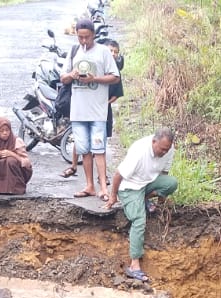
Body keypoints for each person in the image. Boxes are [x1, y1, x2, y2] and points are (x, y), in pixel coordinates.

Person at [103, 128, 177, 282]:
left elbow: (164, 174)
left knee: (171, 183)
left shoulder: (168, 149)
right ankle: (134, 265)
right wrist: (113, 197)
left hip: (146, 184)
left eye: (167, 149)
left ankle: (143, 199)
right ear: (153, 141)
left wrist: (161, 200)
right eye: (162, 149)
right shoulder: (139, 151)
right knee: (139, 220)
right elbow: (118, 175)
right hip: (129, 187)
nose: (164, 152)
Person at [61, 19, 119, 201]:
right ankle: (89, 186)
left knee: (99, 149)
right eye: (80, 37)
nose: (84, 41)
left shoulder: (103, 52)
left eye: (87, 37)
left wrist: (95, 79)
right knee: (84, 150)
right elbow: (63, 78)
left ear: (93, 34)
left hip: (97, 112)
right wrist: (71, 75)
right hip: (78, 112)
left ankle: (103, 188)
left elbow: (115, 77)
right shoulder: (73, 51)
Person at [64, 37, 124, 178]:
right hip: (85, 106)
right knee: (81, 139)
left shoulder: (115, 73)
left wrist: (105, 102)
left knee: (99, 144)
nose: (113, 54)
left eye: (116, 52)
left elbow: (117, 93)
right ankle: (74, 165)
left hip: (102, 109)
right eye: (111, 51)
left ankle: (101, 177)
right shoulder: (91, 65)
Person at [0, 116, 32, 194]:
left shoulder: (16, 141)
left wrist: (12, 154)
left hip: (19, 173)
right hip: (1, 170)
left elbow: (27, 163)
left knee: (10, 160)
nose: (5, 133)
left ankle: (15, 187)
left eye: (7, 130)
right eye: (1, 131)